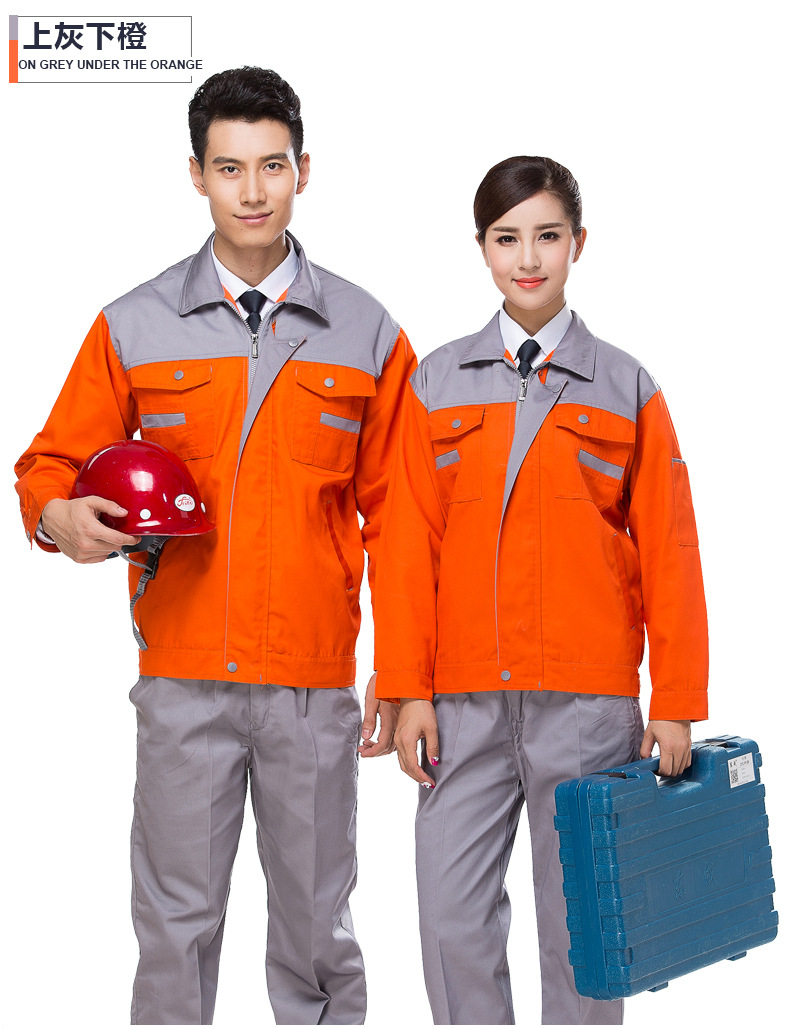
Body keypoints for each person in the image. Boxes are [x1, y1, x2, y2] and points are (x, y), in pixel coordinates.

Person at [15, 66, 416, 1026]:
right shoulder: (134, 322)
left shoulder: (366, 331)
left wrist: (404, 674)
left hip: (311, 688)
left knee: (318, 932)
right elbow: (50, 464)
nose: (252, 191)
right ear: (196, 174)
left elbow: (404, 517)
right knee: (175, 926)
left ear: (303, 170)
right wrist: (56, 516)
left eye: (272, 165)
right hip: (183, 680)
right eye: (229, 168)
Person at [373, 155, 708, 1025]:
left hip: (587, 704)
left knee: (581, 930)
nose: (528, 258)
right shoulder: (435, 382)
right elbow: (406, 545)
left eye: (548, 236)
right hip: (462, 703)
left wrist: (676, 702)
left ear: (578, 244)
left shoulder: (628, 386)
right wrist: (406, 687)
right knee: (451, 922)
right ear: (482, 247)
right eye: (507, 238)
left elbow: (671, 552)